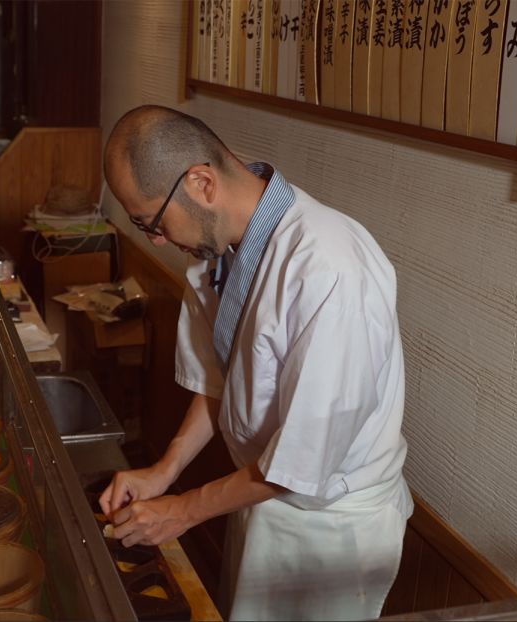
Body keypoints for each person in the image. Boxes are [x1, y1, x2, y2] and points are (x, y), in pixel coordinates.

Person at [99, 105, 414, 621]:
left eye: (151, 221)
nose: (155, 239)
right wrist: (164, 472)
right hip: (254, 492)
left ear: (201, 182)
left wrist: (182, 509)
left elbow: (303, 460)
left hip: (330, 527)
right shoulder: (217, 250)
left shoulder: (329, 266)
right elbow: (219, 380)